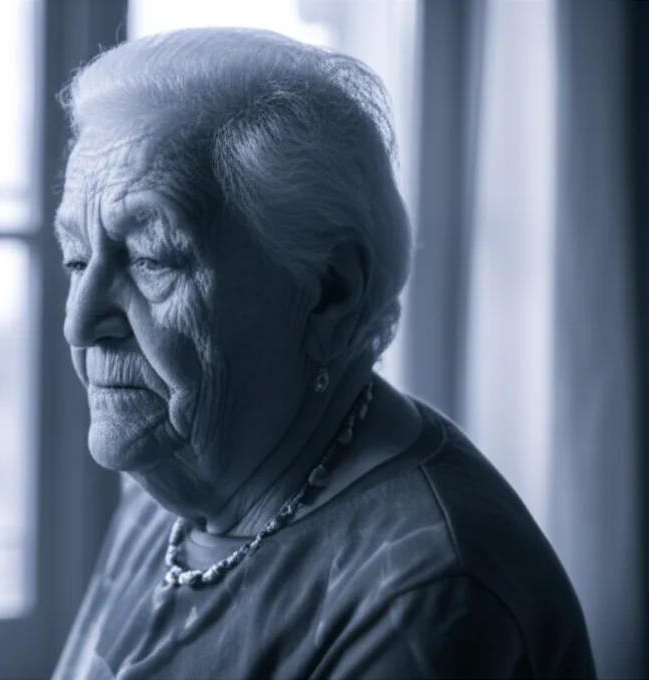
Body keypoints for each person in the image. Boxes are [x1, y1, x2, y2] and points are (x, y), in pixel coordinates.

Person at [50, 27, 596, 679]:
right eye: (77, 259)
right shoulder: (173, 478)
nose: (81, 323)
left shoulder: (430, 596)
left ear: (329, 292)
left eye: (150, 258)